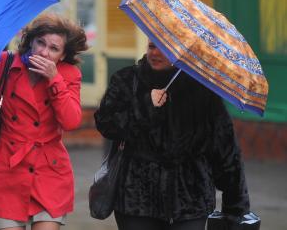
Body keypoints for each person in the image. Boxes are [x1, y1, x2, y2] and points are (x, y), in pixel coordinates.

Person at [94, 41, 250, 230]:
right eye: (152, 46)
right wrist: (145, 106)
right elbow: (106, 124)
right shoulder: (126, 80)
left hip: (190, 200)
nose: (155, 53)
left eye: (164, 48)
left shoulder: (203, 90)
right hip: (137, 200)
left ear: (181, 52)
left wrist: (234, 207)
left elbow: (225, 150)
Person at [0, 13, 88, 230]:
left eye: (53, 48)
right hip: (6, 169)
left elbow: (71, 121)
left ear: (62, 55)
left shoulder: (69, 74)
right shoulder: (4, 63)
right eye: (40, 43)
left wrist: (54, 80)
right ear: (30, 41)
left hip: (49, 172)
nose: (44, 51)